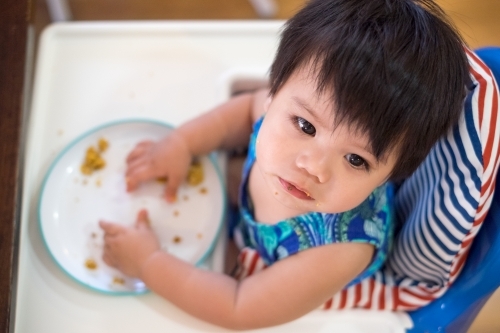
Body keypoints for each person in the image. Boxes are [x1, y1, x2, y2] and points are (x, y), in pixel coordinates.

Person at [99, 0, 471, 329]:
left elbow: (237, 307)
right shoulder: (294, 100)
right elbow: (245, 111)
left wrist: (149, 263)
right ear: (274, 90)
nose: (313, 166)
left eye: (356, 159)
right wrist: (182, 142)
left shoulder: (338, 252)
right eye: (306, 127)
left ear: (393, 173)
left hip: (280, 280)